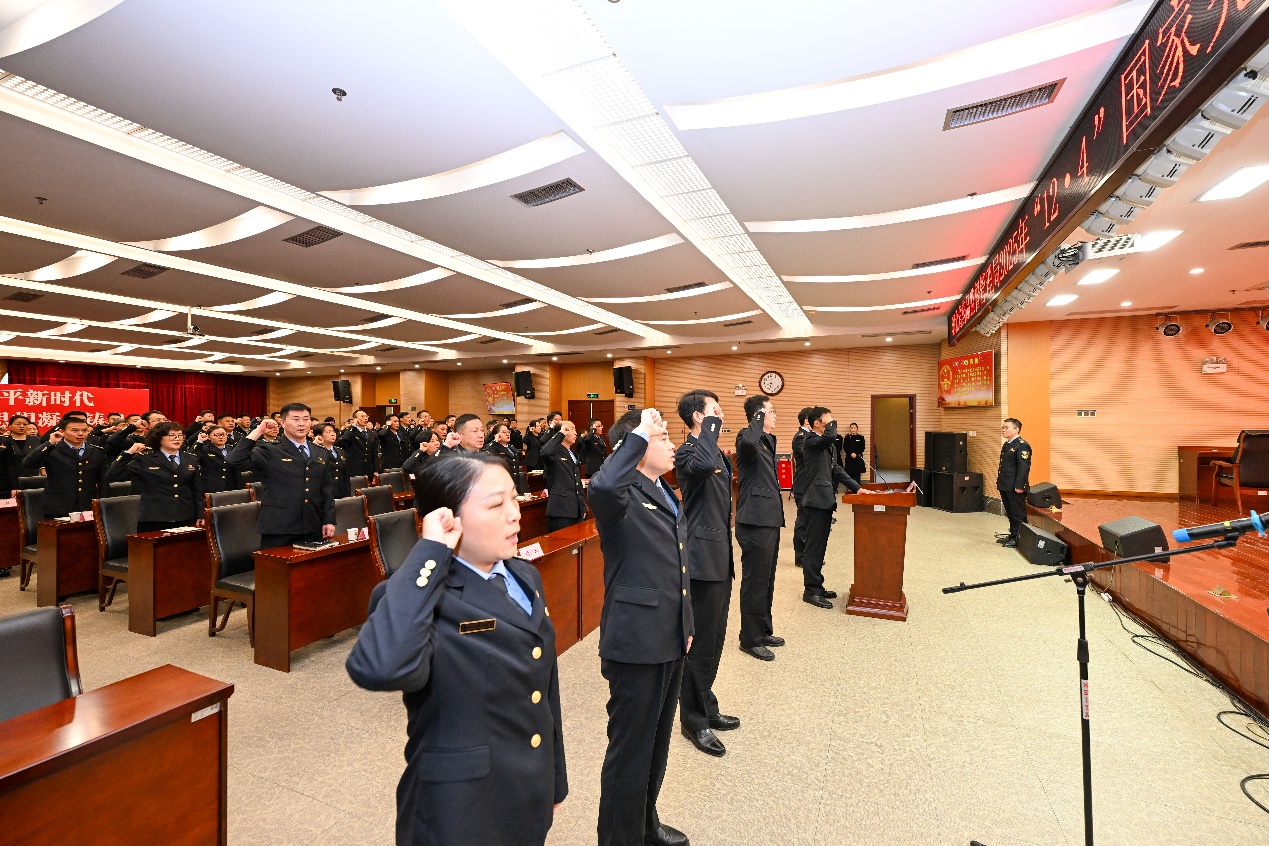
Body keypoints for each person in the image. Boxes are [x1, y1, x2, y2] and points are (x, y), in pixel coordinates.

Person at [346, 452, 567, 846]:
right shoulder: (414, 595)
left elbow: (544, 689)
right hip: (459, 807)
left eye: (514, 499)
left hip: (526, 787)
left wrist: (553, 779)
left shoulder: (524, 575)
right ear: (448, 518)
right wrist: (430, 552)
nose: (515, 514)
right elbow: (380, 667)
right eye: (496, 505)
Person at [590, 408, 692, 846]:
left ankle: (645, 825)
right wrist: (637, 435)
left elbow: (678, 566)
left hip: (669, 633)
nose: (672, 445)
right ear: (633, 447)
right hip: (635, 640)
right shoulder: (620, 494)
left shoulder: (662, 489)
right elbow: (601, 485)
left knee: (656, 745)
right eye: (662, 437)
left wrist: (686, 623)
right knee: (630, 754)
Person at [674, 391, 739, 758]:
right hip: (701, 558)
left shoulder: (712, 450)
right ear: (698, 416)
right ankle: (693, 720)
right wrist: (709, 428)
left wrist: (711, 431)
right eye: (715, 410)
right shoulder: (688, 452)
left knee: (714, 639)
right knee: (700, 644)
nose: (721, 414)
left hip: (719, 555)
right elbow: (699, 467)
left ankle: (706, 704)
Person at [229, 403, 336, 548]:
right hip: (279, 527)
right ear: (283, 422)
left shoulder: (320, 451)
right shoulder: (269, 449)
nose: (301, 424)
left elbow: (326, 489)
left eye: (306, 419)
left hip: (313, 525)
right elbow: (234, 460)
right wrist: (258, 430)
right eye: (296, 419)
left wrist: (329, 520)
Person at [734, 395, 785, 661]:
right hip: (754, 520)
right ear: (758, 415)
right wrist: (757, 417)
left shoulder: (767, 440)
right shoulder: (746, 438)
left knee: (766, 580)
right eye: (771, 411)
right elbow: (749, 442)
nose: (775, 415)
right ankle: (750, 639)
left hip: (769, 518)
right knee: (755, 581)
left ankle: (763, 630)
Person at [800, 408, 866, 608]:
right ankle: (811, 591)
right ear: (817, 422)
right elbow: (831, 436)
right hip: (815, 501)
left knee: (820, 546)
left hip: (825, 500)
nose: (831, 424)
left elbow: (836, 469)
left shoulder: (825, 445)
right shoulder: (810, 440)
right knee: (813, 547)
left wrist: (858, 488)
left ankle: (817, 585)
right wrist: (832, 425)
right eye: (828, 421)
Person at [108, 422, 204, 533]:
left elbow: (197, 489)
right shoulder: (145, 458)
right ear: (158, 438)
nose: (177, 438)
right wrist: (128, 453)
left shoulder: (191, 459)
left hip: (185, 515)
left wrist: (201, 514)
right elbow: (113, 475)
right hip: (155, 516)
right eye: (171, 435)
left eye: (180, 435)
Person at [21, 416, 107, 518]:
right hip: (58, 507)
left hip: (87, 507)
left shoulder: (96, 451)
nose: (81, 434)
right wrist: (50, 443)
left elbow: (102, 481)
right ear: (62, 431)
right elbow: (28, 463)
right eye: (75, 430)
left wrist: (104, 505)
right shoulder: (52, 449)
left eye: (84, 430)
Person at [540, 420, 586, 532]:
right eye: (571, 429)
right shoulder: (554, 452)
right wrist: (560, 434)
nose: (575, 432)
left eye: (575, 429)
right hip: (561, 510)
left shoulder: (573, 453)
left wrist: (582, 506)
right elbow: (545, 452)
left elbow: (577, 481)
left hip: (576, 509)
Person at [997, 418, 1032, 548]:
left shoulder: (1022, 445)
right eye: (1003, 427)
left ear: (1016, 430)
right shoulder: (1007, 444)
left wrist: (1019, 485)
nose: (1003, 430)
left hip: (1015, 486)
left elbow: (1024, 467)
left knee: (1018, 514)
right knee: (1010, 512)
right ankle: (1013, 535)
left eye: (1006, 428)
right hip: (1006, 485)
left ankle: (1019, 539)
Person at [790, 408, 813, 569]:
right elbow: (809, 455)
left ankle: (809, 555)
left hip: (812, 485)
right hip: (803, 485)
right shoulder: (800, 437)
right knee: (803, 523)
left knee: (811, 522)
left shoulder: (810, 436)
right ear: (806, 420)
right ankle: (800, 557)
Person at [0, 414, 40, 496]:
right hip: (8, 482)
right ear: (10, 426)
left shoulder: (35, 440)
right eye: (18, 424)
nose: (22, 426)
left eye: (25, 424)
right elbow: (6, 464)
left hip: (31, 479)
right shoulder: (3, 440)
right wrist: (14, 486)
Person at [195, 424, 239, 495]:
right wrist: (199, 441)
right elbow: (190, 458)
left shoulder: (232, 449)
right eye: (216, 435)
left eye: (223, 434)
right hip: (211, 487)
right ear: (208, 437)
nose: (221, 437)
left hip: (231, 486)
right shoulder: (204, 449)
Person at [485, 423, 528, 494]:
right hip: (502, 484)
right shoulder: (494, 448)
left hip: (515, 483)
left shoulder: (512, 448)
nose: (507, 434)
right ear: (496, 435)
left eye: (508, 432)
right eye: (504, 432)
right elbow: (488, 453)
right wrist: (495, 441)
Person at [336, 410, 379, 479]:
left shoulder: (371, 433)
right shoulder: (350, 432)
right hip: (354, 469)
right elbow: (341, 442)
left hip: (368, 469)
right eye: (362, 416)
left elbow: (374, 453)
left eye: (366, 416)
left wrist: (376, 470)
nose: (365, 418)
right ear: (355, 419)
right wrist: (353, 426)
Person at [311, 423, 349, 498]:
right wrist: (315, 444)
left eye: (333, 431)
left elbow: (346, 476)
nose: (333, 434)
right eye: (328, 432)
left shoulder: (340, 451)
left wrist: (348, 496)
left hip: (341, 492)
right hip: (324, 494)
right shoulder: (316, 452)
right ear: (319, 436)